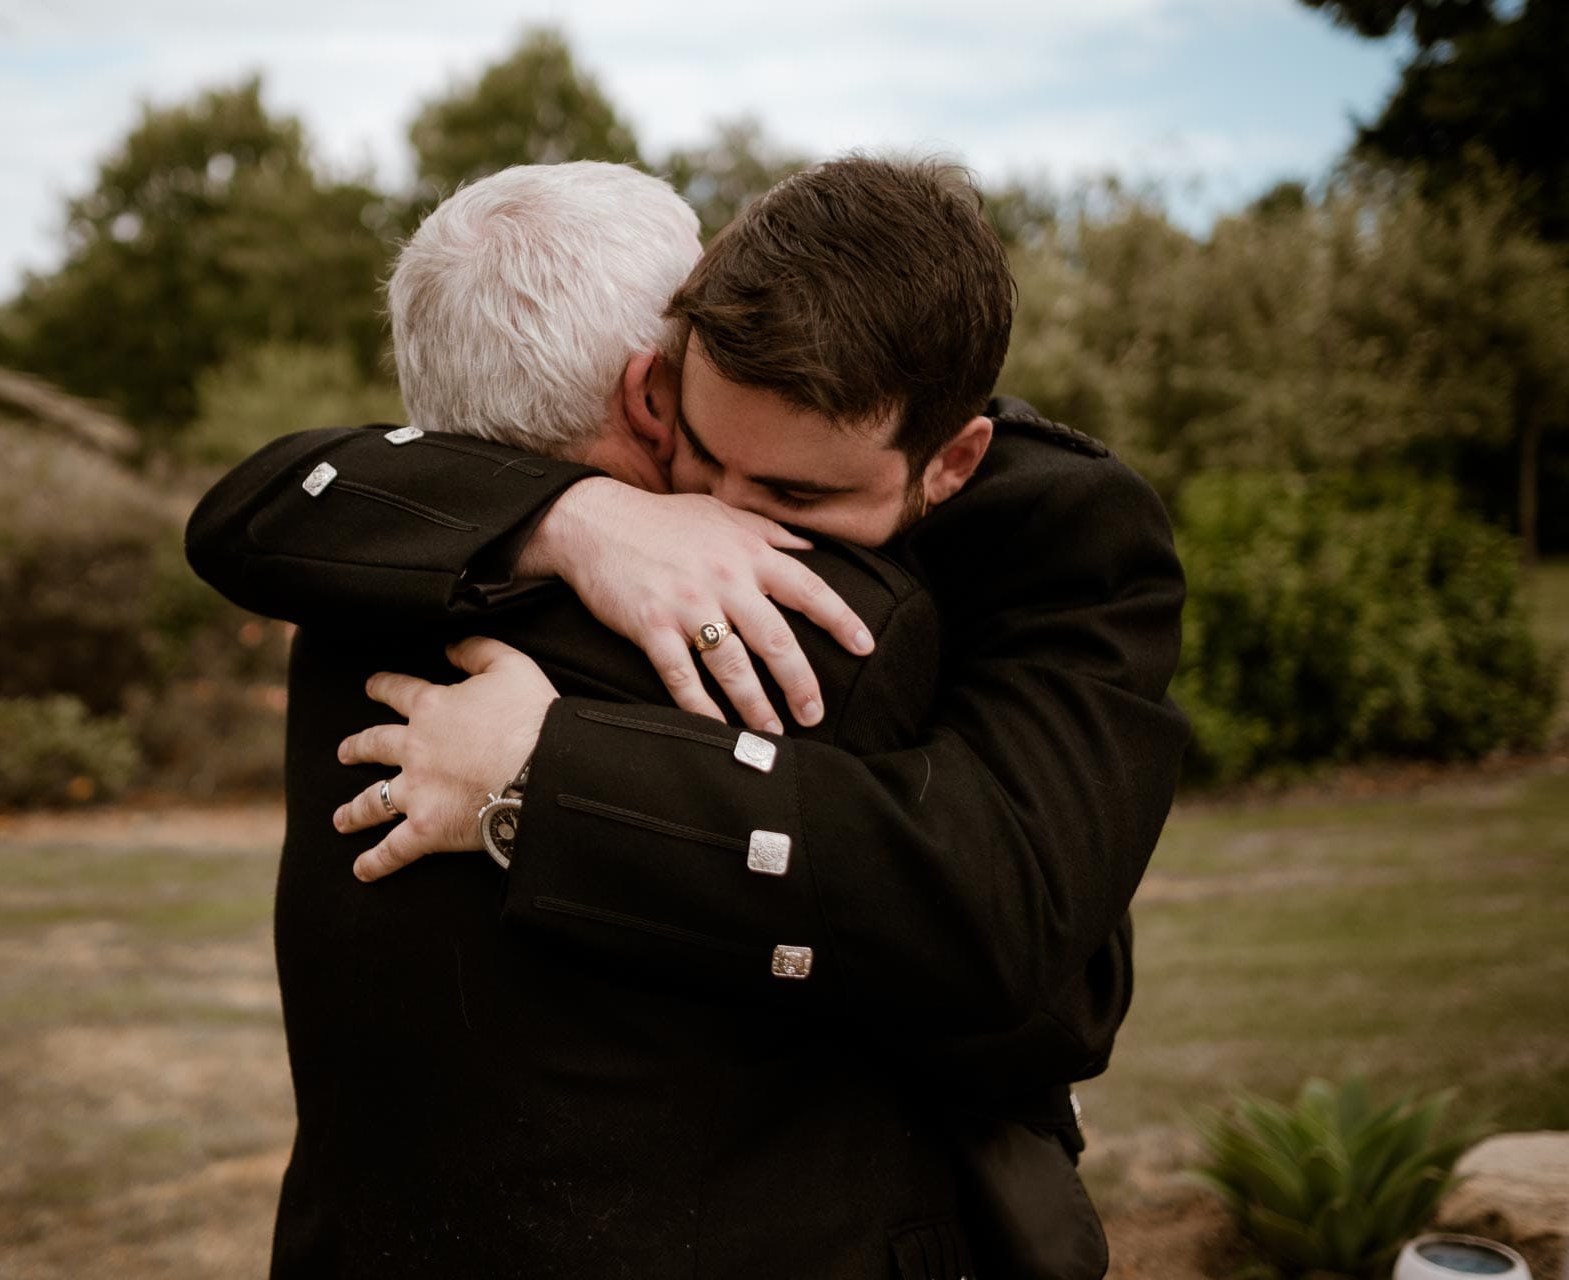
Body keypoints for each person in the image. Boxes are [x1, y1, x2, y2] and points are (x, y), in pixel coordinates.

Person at [189, 157, 1177, 1277]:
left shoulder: (355, 587)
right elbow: (1057, 1001)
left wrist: (541, 771)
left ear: (950, 462)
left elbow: (1029, 943)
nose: (725, 517)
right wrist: (579, 516)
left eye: (797, 496)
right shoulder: (420, 558)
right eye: (703, 455)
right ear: (658, 386)